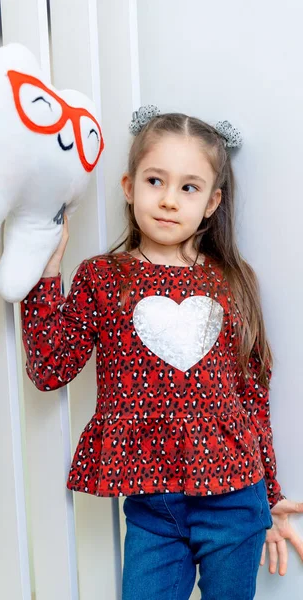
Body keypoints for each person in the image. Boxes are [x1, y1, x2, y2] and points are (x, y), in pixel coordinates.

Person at [20, 108, 303, 599]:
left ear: (213, 202)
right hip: (154, 507)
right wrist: (46, 277)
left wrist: (271, 493)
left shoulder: (231, 281)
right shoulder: (102, 278)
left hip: (237, 500)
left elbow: (252, 394)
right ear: (130, 186)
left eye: (189, 188)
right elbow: (49, 369)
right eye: (156, 181)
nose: (169, 200)